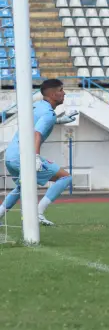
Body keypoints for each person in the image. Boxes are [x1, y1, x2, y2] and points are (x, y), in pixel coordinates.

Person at [0, 79, 78, 227]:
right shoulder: (49, 113)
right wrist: (35, 157)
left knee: (22, 188)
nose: (64, 93)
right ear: (54, 94)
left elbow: (38, 121)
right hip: (23, 155)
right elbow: (37, 133)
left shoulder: (36, 106)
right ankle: (39, 212)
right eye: (61, 90)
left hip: (10, 155)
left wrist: (60, 120)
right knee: (65, 177)